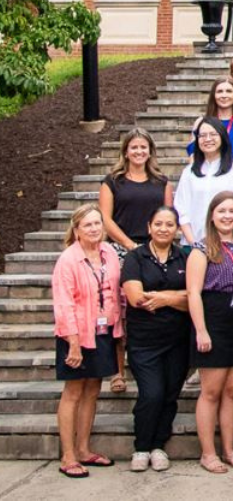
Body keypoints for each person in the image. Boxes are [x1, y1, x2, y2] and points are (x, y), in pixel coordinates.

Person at [186, 190, 233, 474]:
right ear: (212, 216)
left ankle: (229, 448)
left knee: (232, 389)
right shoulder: (201, 249)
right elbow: (193, 293)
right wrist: (201, 330)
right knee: (211, 391)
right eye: (222, 211)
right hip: (214, 319)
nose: (228, 216)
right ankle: (208, 452)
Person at [52, 204, 123, 479]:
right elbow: (64, 304)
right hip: (76, 335)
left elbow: (115, 293)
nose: (94, 229)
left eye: (97, 224)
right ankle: (68, 455)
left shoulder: (109, 253)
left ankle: (84, 448)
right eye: (88, 225)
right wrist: (73, 343)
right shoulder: (68, 260)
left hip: (103, 332)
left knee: (93, 389)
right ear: (77, 230)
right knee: (73, 391)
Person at [121, 205, 190, 473]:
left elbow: (194, 299)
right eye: (158, 224)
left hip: (178, 339)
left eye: (169, 224)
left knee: (170, 394)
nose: (164, 229)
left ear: (176, 229)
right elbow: (136, 297)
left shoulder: (184, 257)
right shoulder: (135, 257)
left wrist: (162, 298)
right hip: (144, 341)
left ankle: (159, 445)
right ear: (149, 227)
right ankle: (141, 447)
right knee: (152, 393)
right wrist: (177, 297)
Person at [175, 118, 233, 246]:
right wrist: (194, 244)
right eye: (202, 135)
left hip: (229, 244)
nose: (207, 139)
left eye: (213, 134)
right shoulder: (189, 172)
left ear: (222, 137)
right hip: (194, 243)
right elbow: (182, 210)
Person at [100, 128, 173, 255]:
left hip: (155, 249)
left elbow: (168, 218)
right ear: (126, 152)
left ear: (150, 152)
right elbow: (105, 219)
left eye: (143, 147)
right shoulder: (111, 182)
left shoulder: (163, 183)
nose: (139, 151)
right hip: (120, 248)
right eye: (134, 147)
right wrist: (131, 246)